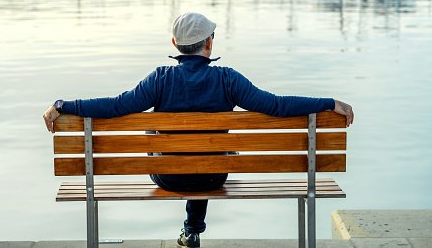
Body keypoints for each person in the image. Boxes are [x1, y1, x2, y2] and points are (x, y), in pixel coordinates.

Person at [43, 12, 354, 248]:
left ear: (176, 44)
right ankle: (192, 228)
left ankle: (191, 229)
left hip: (165, 174)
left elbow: (114, 106)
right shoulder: (228, 79)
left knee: (172, 143)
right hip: (213, 175)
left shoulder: (160, 79)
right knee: (210, 152)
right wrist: (327, 102)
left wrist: (64, 104)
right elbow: (276, 105)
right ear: (209, 43)